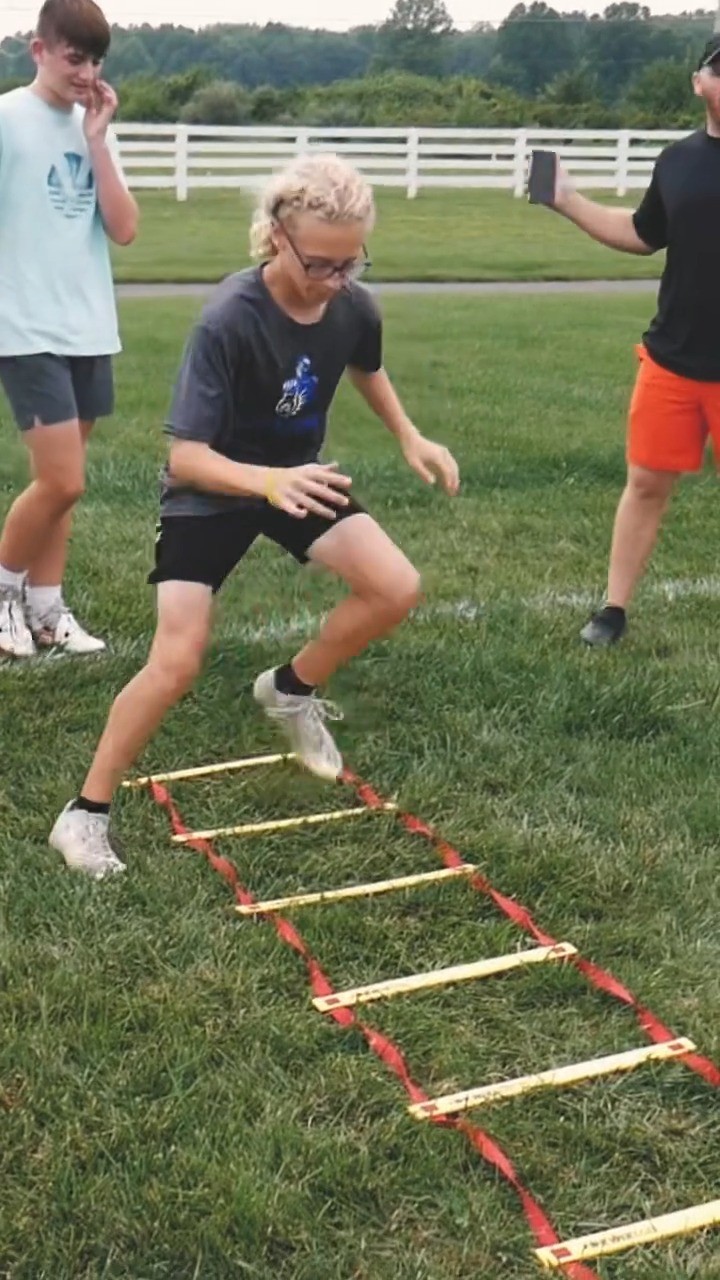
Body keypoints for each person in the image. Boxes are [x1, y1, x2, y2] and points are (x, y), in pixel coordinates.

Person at [49, 152, 460, 879]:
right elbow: (185, 456)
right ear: (276, 235)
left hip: (296, 479)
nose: (337, 281)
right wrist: (263, 482)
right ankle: (84, 815)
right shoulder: (227, 320)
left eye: (352, 263)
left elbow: (365, 364)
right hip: (215, 487)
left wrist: (408, 434)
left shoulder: (353, 304)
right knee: (176, 660)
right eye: (321, 264)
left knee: (395, 586)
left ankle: (290, 689)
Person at [538, 35, 720, 647]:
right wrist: (566, 200)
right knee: (645, 484)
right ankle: (613, 612)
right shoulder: (676, 161)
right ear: (699, 83)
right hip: (673, 360)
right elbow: (642, 233)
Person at [0, 0, 138, 659]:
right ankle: (3, 597)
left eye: (96, 60)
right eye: (73, 57)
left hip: (89, 326)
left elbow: (124, 228)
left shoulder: (96, 125)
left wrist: (96, 141)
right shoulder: (6, 119)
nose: (86, 72)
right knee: (64, 480)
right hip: (25, 326)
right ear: (39, 51)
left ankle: (47, 612)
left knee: (62, 486)